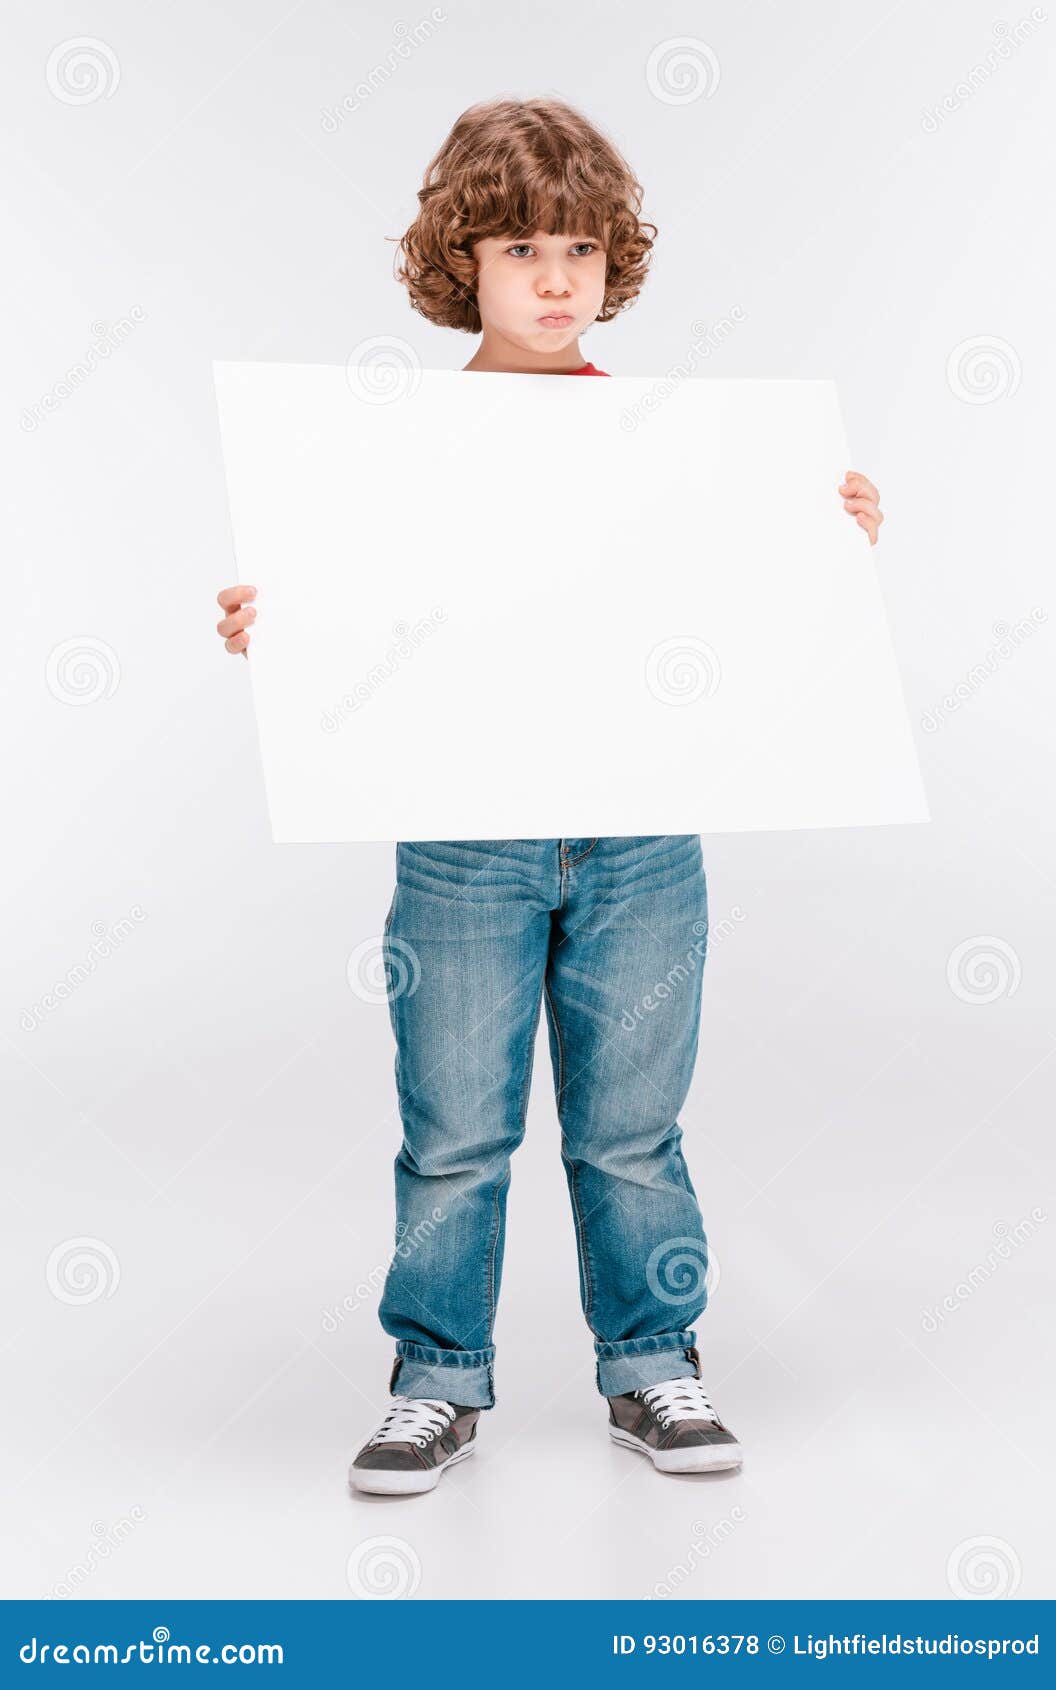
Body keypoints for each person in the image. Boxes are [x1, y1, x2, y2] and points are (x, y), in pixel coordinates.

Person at [215, 97, 884, 1496]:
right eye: (522, 246)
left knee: (632, 1127)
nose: (558, 277)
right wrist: (279, 624)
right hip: (467, 836)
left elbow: (732, 600)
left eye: (580, 246)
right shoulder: (396, 439)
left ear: (612, 262)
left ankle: (654, 1359)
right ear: (466, 258)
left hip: (642, 832)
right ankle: (435, 1380)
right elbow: (359, 606)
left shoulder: (667, 434)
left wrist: (825, 537)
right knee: (456, 1126)